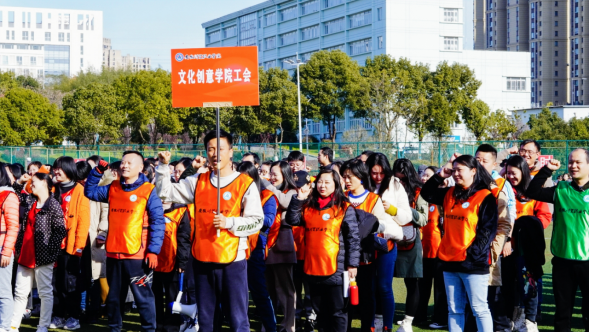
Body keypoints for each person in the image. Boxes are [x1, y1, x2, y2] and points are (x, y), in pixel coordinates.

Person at [154, 130, 264, 332]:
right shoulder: (198, 181)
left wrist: (230, 223)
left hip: (233, 259)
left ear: (231, 152)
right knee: (206, 320)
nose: (215, 153)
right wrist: (162, 167)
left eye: (220, 148)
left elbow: (257, 222)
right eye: (210, 149)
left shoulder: (245, 183)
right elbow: (165, 192)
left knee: (237, 319)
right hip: (202, 259)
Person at [85, 151, 166, 332]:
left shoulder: (148, 191)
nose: (125, 165)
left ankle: (149, 329)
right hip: (113, 253)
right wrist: (97, 171)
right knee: (114, 299)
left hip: (138, 255)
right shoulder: (112, 187)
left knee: (143, 298)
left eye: (129, 163)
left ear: (140, 167)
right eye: (123, 162)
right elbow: (89, 191)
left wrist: (153, 250)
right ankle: (115, 329)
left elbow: (158, 222)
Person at [421, 155, 498, 332]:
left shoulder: (484, 196)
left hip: (473, 263)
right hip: (449, 262)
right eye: (454, 170)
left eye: (459, 170)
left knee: (479, 309)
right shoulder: (449, 193)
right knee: (454, 310)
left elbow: (487, 231)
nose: (455, 174)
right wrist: (441, 175)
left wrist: (472, 254)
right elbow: (427, 193)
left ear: (473, 171)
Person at [286, 168, 360, 332]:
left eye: (327, 182)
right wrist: (299, 198)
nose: (322, 186)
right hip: (313, 268)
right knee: (320, 312)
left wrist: (352, 265)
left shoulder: (344, 208)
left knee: (338, 312)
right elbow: (292, 219)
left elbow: (353, 239)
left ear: (336, 185)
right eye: (320, 182)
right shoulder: (308, 206)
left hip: (336, 269)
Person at [526, 149, 589, 332]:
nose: (573, 166)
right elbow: (532, 191)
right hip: (563, 261)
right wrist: (547, 170)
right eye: (570, 162)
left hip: (587, 262)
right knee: (562, 313)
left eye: (578, 162)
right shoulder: (561, 189)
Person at [340, 159, 399, 332]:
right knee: (345, 296)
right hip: (343, 255)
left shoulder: (374, 199)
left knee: (367, 295)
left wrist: (365, 224)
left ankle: (368, 327)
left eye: (350, 176)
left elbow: (381, 225)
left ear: (361, 177)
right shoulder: (341, 197)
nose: (347, 180)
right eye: (344, 177)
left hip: (365, 256)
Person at [11, 172, 67, 332]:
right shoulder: (30, 200)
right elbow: (16, 194)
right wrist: (20, 181)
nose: (31, 184)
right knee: (20, 292)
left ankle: (43, 326)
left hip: (43, 256)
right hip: (25, 254)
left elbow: (60, 230)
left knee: (44, 293)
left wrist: (51, 251)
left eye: (34, 181)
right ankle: (14, 325)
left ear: (44, 183)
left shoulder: (53, 204)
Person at [503, 156, 551, 331]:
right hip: (506, 247)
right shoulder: (503, 190)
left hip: (527, 249)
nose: (510, 177)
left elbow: (544, 216)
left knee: (529, 284)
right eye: (507, 173)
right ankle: (513, 319)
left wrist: (530, 230)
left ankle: (531, 320)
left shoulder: (533, 192)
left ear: (523, 172)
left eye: (513, 173)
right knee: (508, 285)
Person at [366, 153, 412, 332]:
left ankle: (387, 326)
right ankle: (369, 325)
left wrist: (393, 210)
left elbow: (407, 216)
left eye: (381, 173)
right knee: (368, 287)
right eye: (374, 173)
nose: (378, 177)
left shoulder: (395, 185)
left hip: (388, 242)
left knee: (384, 286)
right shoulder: (361, 183)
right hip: (365, 243)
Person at [473, 145, 514, 332]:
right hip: (465, 252)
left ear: (494, 164)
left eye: (485, 161)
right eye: (477, 160)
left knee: (492, 294)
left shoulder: (500, 186)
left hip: (488, 251)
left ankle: (501, 326)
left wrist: (497, 247)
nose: (480, 164)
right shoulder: (465, 182)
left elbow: (506, 219)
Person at [49, 157, 91, 331]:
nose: (56, 171)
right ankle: (57, 315)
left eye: (60, 168)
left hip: (72, 244)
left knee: (70, 282)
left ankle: (74, 316)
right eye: (55, 168)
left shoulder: (80, 190)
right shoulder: (52, 189)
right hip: (52, 244)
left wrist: (79, 246)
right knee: (55, 282)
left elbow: (83, 220)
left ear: (68, 169)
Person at [237, 161, 279, 332]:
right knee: (235, 291)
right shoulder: (234, 193)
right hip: (235, 243)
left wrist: (245, 218)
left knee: (259, 291)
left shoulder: (267, 196)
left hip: (255, 245)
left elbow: (268, 220)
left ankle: (270, 327)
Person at [260, 161, 299, 332]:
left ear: (285, 174)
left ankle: (288, 324)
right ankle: (269, 323)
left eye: (275, 174)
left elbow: (284, 202)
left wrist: (267, 185)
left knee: (285, 288)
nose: (272, 177)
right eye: (270, 174)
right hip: (266, 242)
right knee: (269, 287)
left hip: (282, 241)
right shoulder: (265, 192)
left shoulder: (291, 192)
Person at [391, 159, 428, 332]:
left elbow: (423, 219)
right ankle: (383, 315)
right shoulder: (388, 190)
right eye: (397, 179)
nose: (400, 183)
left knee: (412, 282)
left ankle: (408, 321)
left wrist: (406, 208)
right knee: (383, 281)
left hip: (410, 240)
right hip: (390, 238)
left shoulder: (419, 191)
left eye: (403, 179)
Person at [415, 166, 448, 329]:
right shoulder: (421, 199)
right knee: (422, 286)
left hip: (441, 251)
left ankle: (439, 318)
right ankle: (419, 315)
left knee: (440, 288)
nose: (425, 178)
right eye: (424, 175)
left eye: (429, 175)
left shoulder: (444, 198)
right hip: (423, 250)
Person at [153, 199, 191, 332]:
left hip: (172, 261)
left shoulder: (180, 211)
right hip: (152, 260)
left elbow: (184, 238)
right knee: (154, 297)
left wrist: (182, 261)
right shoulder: (150, 207)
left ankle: (171, 328)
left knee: (172, 298)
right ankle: (156, 326)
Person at [0, 164, 19, 332]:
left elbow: (13, 227)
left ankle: (5, 327)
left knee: (3, 291)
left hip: (2, 248)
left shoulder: (9, 196)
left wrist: (6, 251)